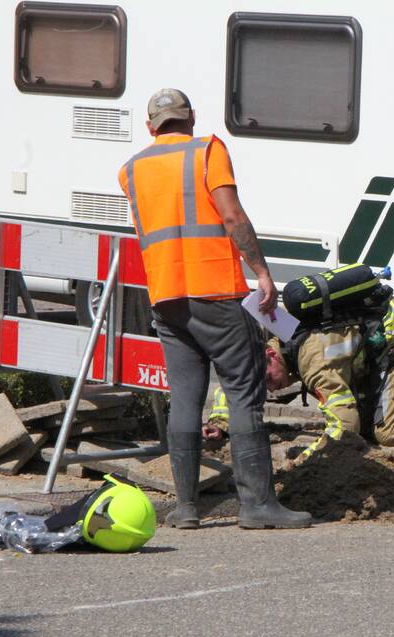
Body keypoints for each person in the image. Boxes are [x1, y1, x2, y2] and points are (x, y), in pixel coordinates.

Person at [118, 88, 311, 530]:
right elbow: (232, 217)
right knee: (244, 393)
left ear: (151, 127)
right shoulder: (208, 151)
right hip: (217, 292)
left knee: (185, 398)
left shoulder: (130, 170)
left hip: (166, 297)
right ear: (191, 118)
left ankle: (186, 508)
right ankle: (258, 506)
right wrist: (261, 272)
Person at [206, 296, 394, 458]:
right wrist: (220, 423)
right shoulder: (274, 338)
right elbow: (237, 386)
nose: (269, 389)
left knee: (390, 431)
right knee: (367, 424)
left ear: (272, 357)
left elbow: (343, 425)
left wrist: (308, 459)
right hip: (370, 346)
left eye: (267, 379)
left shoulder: (313, 363)